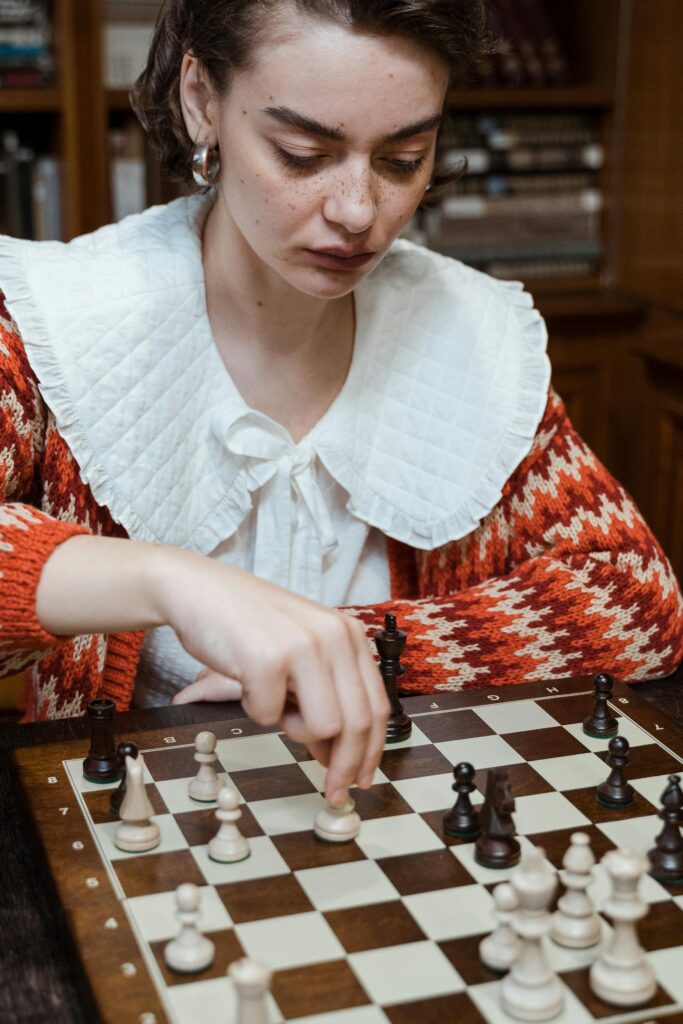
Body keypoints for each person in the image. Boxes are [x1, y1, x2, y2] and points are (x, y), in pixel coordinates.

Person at [0, 0, 681, 802]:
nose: (358, 211)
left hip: (390, 835)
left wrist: (359, 649)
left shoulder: (468, 338)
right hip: (133, 839)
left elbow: (635, 601)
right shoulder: (55, 322)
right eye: (302, 153)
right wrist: (167, 579)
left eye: (402, 158)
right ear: (200, 99)